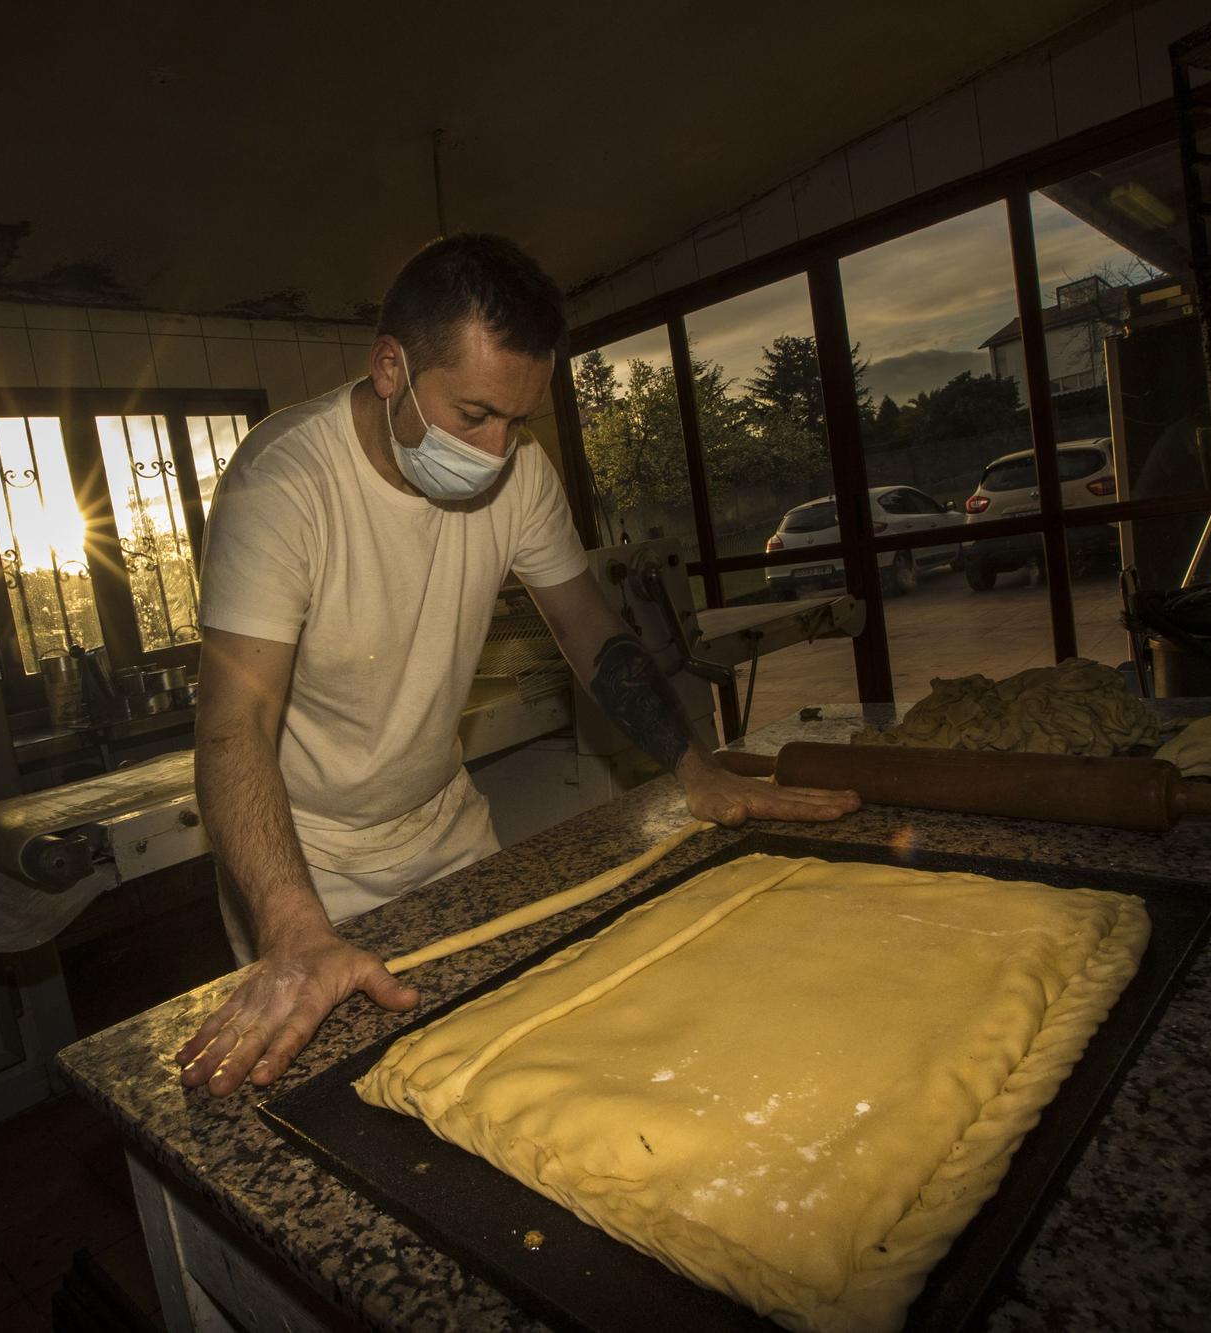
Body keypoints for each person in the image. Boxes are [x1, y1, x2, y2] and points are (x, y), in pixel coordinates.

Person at [177, 234, 859, 1096]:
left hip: (445, 826)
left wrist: (696, 767)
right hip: (306, 862)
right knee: (357, 1101)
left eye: (517, 420)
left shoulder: (522, 478)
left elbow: (592, 633)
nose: (497, 450)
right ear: (391, 367)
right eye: (472, 416)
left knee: (515, 1067)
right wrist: (294, 928)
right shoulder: (282, 485)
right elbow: (232, 725)